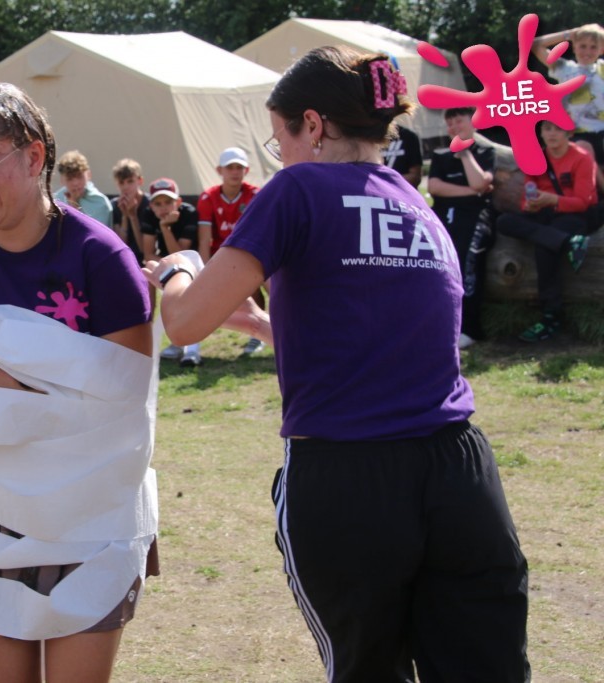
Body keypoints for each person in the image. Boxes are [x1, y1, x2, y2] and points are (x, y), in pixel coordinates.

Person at [145, 46, 529, 683]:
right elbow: (389, 338)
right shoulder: (414, 202)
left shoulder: (298, 188)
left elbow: (184, 323)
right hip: (459, 474)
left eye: (280, 140)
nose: (281, 157)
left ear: (313, 124)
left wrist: (177, 270)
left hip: (349, 475)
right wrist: (263, 326)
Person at [0, 80, 157, 683]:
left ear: (33, 156)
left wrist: (16, 390)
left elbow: (125, 396)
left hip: (93, 507)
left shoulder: (102, 256)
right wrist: (31, 390)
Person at [496, 121, 597, 342]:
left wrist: (553, 199)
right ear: (541, 133)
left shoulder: (581, 158)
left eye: (557, 129)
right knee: (504, 222)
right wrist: (529, 205)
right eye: (547, 129)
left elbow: (583, 202)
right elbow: (526, 199)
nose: (552, 134)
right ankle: (567, 242)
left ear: (569, 133)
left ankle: (551, 317)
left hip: (573, 215)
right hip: (545, 213)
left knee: (545, 247)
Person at [427, 107, 496, 348]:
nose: (455, 127)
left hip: (476, 219)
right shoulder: (441, 156)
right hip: (445, 218)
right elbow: (434, 187)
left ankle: (469, 328)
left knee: (468, 264)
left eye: (459, 121)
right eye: (450, 123)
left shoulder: (485, 152)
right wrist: (472, 191)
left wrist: (465, 154)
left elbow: (480, 180)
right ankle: (440, 324)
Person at [196, 146, 266, 355]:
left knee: (269, 284)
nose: (235, 172)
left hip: (252, 252)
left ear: (246, 170)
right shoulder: (208, 198)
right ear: (220, 170)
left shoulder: (256, 195)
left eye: (239, 167)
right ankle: (187, 344)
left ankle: (266, 333)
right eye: (230, 167)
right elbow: (205, 239)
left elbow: (261, 233)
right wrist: (204, 272)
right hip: (222, 256)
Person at [533, 23, 604, 193]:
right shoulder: (565, 68)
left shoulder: (602, 68)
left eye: (593, 47)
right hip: (577, 133)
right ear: (574, 47)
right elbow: (535, 44)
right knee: (584, 150)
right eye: (582, 46)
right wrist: (569, 34)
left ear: (601, 49)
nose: (587, 51)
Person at [141, 177, 203, 367]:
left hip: (194, 265)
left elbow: (182, 255)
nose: (163, 208)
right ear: (151, 206)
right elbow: (148, 253)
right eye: (158, 203)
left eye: (168, 202)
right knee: (166, 297)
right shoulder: (148, 215)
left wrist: (165, 228)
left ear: (178, 202)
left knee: (187, 303)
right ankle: (170, 340)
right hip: (170, 266)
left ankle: (191, 350)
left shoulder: (189, 213)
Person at [52, 150, 113, 227]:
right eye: (70, 178)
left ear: (88, 175)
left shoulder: (100, 202)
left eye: (79, 176)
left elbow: (98, 232)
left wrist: (75, 210)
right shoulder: (56, 201)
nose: (75, 183)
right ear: (62, 180)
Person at [110, 158, 147, 263]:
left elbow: (144, 249)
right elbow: (121, 245)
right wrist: (125, 216)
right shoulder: (114, 206)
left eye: (130, 181)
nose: (125, 187)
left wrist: (133, 216)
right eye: (121, 182)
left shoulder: (150, 204)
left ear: (140, 181)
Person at [381, 123, 423, 188]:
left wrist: (383, 183)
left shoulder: (408, 136)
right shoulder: (368, 138)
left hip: (404, 192)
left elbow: (415, 177)